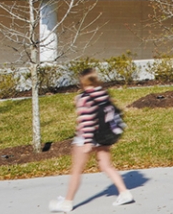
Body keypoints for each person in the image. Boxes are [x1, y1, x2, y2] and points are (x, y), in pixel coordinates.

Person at [49, 67, 133, 211]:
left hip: (85, 138)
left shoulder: (84, 98)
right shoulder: (103, 94)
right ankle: (124, 193)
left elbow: (86, 121)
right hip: (103, 136)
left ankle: (67, 203)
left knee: (76, 170)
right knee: (106, 166)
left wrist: (87, 142)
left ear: (82, 82)